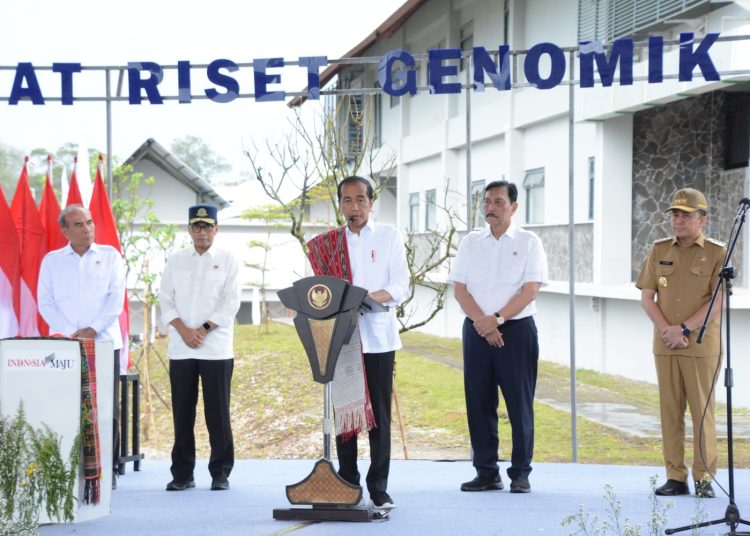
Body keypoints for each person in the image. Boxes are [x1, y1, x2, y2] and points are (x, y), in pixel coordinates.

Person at [306, 176, 409, 510]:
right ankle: (348, 482)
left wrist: (365, 298)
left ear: (371, 201)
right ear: (340, 205)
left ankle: (379, 486)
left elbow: (400, 285)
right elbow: (320, 290)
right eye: (347, 201)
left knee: (378, 416)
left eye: (360, 200)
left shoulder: (389, 236)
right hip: (343, 338)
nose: (354, 207)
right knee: (346, 412)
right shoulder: (331, 245)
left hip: (378, 338)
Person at [449, 180, 548, 494]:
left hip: (516, 331)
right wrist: (483, 322)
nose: (491, 207)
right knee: (479, 402)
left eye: (499, 202)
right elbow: (460, 289)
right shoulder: (470, 243)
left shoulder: (529, 241)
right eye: (487, 201)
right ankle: (486, 472)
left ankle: (520, 473)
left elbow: (530, 290)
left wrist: (498, 319)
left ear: (514, 207)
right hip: (477, 330)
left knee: (519, 403)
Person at [636, 188, 725, 499]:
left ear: (703, 219)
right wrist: (668, 331)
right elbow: (647, 297)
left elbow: (718, 301)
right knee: (670, 411)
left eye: (685, 215)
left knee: (702, 412)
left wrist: (685, 328)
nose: (678, 220)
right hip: (666, 345)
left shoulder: (717, 253)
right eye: (674, 214)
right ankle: (675, 476)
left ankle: (703, 477)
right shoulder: (659, 249)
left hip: (700, 346)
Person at [38, 204, 126, 488]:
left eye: (89, 222)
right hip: (63, 347)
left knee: (105, 409)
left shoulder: (111, 256)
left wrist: (92, 329)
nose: (87, 228)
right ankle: (68, 467)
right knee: (64, 405)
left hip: (103, 343)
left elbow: (115, 300)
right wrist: (71, 334)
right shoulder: (51, 261)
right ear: (65, 230)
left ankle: (107, 470)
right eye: (79, 224)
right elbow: (45, 303)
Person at [158, 204, 241, 492]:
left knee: (217, 413)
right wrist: (184, 330)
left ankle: (220, 472)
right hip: (182, 348)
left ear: (217, 229)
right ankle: (182, 474)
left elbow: (231, 303)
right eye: (197, 226)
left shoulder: (229, 260)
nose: (202, 231)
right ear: (189, 229)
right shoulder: (176, 260)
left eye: (208, 226)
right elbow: (165, 299)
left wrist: (203, 330)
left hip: (215, 347)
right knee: (182, 413)